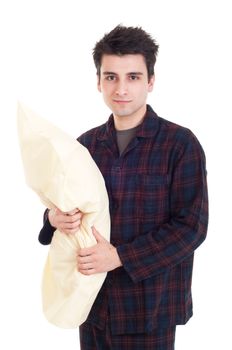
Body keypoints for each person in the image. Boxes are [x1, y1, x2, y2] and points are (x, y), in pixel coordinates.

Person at [38, 25, 208, 350]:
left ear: (151, 81)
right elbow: (63, 209)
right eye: (111, 77)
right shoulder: (83, 147)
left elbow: (191, 228)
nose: (121, 88)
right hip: (93, 304)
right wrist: (53, 219)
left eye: (133, 76)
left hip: (150, 309)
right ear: (99, 81)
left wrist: (121, 257)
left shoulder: (180, 145)